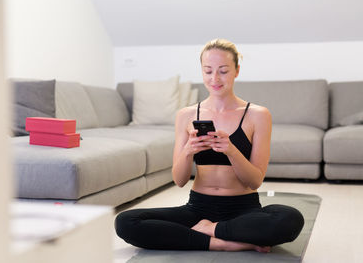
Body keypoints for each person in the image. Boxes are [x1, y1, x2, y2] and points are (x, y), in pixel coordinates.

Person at [115, 39, 304, 253]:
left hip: (243, 209)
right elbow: (179, 180)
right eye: (208, 71)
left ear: (236, 71)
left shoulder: (258, 115)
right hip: (197, 209)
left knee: (289, 219)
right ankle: (221, 241)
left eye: (223, 71)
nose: (214, 78)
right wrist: (188, 152)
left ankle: (211, 230)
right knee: (125, 221)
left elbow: (254, 181)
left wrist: (232, 151)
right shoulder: (186, 115)